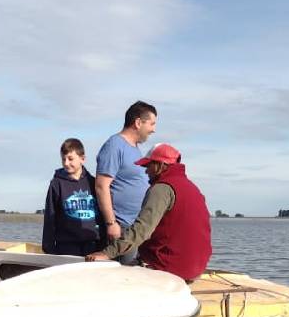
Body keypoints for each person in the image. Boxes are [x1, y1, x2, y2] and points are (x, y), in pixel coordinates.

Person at [86, 143, 212, 282]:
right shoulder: (193, 188)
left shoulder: (162, 189)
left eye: (148, 166)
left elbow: (141, 230)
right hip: (196, 268)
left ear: (160, 165)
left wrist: (106, 253)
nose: (146, 172)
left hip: (170, 269)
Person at [95, 101, 158, 260]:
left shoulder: (135, 149)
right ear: (138, 122)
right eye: (151, 124)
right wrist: (111, 223)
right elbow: (102, 186)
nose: (153, 129)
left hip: (136, 227)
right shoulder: (114, 145)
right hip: (121, 227)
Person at [41, 138, 102, 256]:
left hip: (92, 244)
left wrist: (103, 243)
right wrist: (48, 247)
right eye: (63, 159)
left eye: (70, 159)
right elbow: (50, 216)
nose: (66, 163)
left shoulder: (93, 183)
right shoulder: (56, 184)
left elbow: (101, 214)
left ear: (82, 159)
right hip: (66, 245)